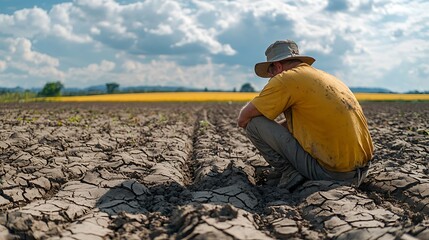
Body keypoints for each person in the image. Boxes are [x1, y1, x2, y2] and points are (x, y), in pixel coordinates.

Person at [237, 40, 374, 191]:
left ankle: (289, 173)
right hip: (360, 172)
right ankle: (290, 171)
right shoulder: (325, 78)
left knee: (254, 124)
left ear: (277, 66)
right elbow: (297, 125)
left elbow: (243, 118)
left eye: (270, 73)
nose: (270, 79)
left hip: (332, 175)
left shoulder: (286, 79)